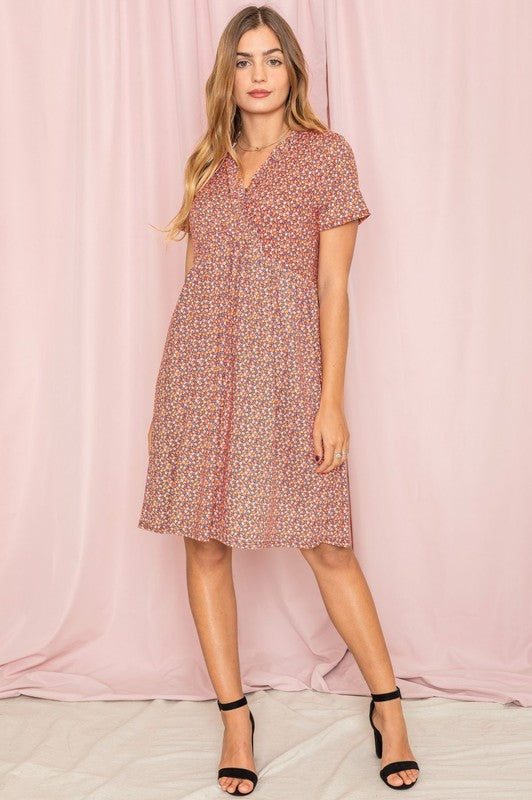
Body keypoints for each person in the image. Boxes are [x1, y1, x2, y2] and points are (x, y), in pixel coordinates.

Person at [138, 4, 420, 795]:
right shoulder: (211, 163)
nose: (258, 75)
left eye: (272, 60)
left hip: (291, 373)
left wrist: (331, 402)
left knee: (327, 544)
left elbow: (334, 286)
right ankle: (236, 719)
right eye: (244, 61)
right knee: (202, 543)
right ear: (226, 75)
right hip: (201, 370)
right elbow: (199, 288)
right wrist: (176, 396)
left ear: (293, 70)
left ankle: (388, 708)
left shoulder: (326, 157)